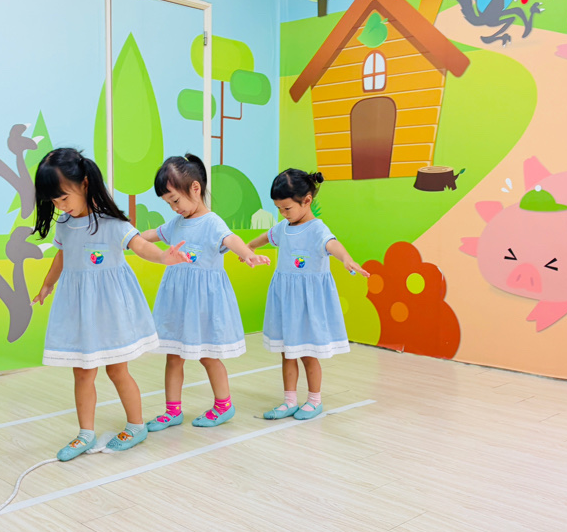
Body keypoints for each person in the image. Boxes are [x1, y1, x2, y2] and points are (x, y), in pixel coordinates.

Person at [31, 148, 189, 461]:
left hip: (110, 309)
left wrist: (163, 256)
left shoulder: (112, 222)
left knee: (117, 370)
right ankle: (85, 434)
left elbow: (139, 245)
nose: (59, 206)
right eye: (54, 201)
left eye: (63, 198)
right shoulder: (65, 224)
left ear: (85, 183)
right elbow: (62, 255)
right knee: (82, 373)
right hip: (80, 310)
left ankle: (136, 426)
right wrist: (48, 283)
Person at [139, 155, 270, 431]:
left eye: (175, 200)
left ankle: (223, 405)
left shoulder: (212, 222)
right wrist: (128, 238)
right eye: (168, 203)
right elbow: (153, 233)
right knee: (173, 355)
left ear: (195, 188)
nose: (174, 208)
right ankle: (172, 411)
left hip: (202, 304)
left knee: (208, 355)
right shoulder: (176, 223)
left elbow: (231, 239)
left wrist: (248, 254)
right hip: (177, 303)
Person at [246, 169, 369, 420]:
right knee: (287, 352)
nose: (283, 213)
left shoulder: (317, 229)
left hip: (307, 303)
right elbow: (267, 236)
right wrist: (248, 247)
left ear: (307, 200)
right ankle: (289, 400)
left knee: (307, 354)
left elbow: (332, 244)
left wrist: (346, 258)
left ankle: (314, 400)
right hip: (286, 300)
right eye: (279, 209)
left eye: (287, 208)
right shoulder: (284, 227)